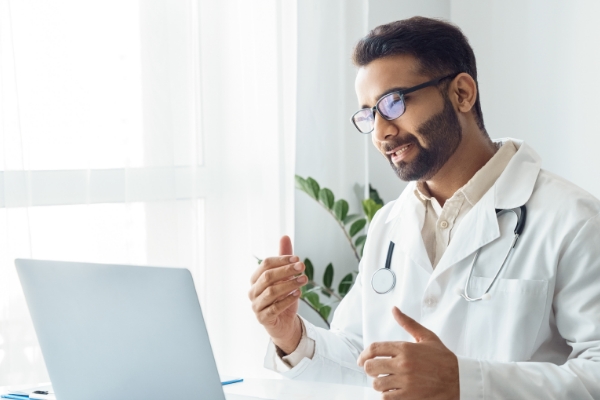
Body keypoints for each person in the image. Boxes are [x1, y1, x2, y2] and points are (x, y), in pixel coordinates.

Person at [248, 16, 600, 399]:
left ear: (462, 94)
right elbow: (362, 355)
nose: (381, 131)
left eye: (393, 102)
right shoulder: (389, 225)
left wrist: (465, 383)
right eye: (369, 114)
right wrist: (290, 335)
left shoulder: (572, 220)